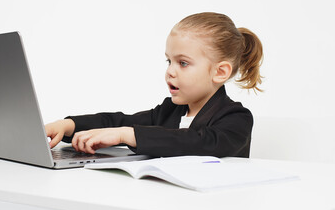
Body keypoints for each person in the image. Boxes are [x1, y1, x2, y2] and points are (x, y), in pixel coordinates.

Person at [45, 12, 263, 158]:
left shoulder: (236, 118)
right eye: (169, 61)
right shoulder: (169, 111)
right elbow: (120, 120)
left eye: (183, 63)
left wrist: (126, 135)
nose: (170, 71)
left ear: (220, 72)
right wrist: (68, 125)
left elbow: (198, 143)